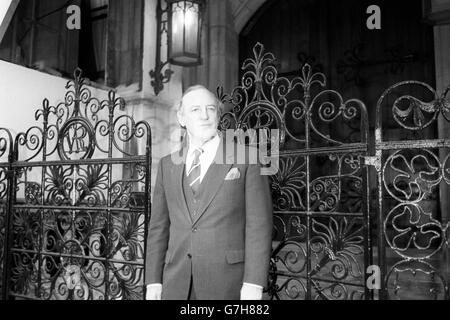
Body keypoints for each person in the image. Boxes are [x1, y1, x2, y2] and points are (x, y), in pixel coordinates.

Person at [144, 85, 273, 300]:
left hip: (228, 284)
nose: (204, 116)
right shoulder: (168, 165)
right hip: (175, 283)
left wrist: (254, 282)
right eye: (195, 110)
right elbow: (158, 227)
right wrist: (153, 281)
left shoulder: (247, 158)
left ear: (218, 115)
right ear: (181, 118)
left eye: (211, 109)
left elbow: (259, 225)